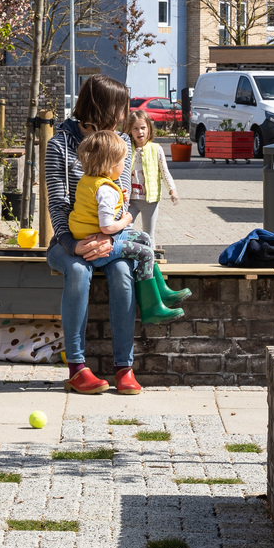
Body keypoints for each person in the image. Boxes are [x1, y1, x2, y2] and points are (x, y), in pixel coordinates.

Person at [46, 74, 146, 395]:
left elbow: (124, 195)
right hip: (68, 240)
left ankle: (124, 368)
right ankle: (76, 368)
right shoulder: (59, 145)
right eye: (120, 109)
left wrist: (110, 239)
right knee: (77, 271)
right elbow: (59, 205)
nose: (124, 117)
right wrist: (74, 246)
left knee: (122, 273)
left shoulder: (123, 142)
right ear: (101, 108)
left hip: (111, 239)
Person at [70, 130, 187, 323]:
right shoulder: (106, 190)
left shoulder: (91, 181)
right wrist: (126, 220)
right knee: (146, 253)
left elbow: (93, 203)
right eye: (123, 161)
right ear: (110, 166)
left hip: (89, 237)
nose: (125, 166)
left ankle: (161, 292)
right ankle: (152, 309)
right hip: (98, 249)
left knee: (145, 238)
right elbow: (107, 227)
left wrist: (119, 197)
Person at [126, 110, 180, 237]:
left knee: (149, 234)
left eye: (143, 128)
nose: (140, 132)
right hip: (130, 201)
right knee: (124, 230)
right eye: (135, 129)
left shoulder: (156, 149)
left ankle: (150, 255)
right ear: (130, 131)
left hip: (150, 200)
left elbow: (165, 172)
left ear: (149, 128)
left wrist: (172, 190)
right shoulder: (126, 149)